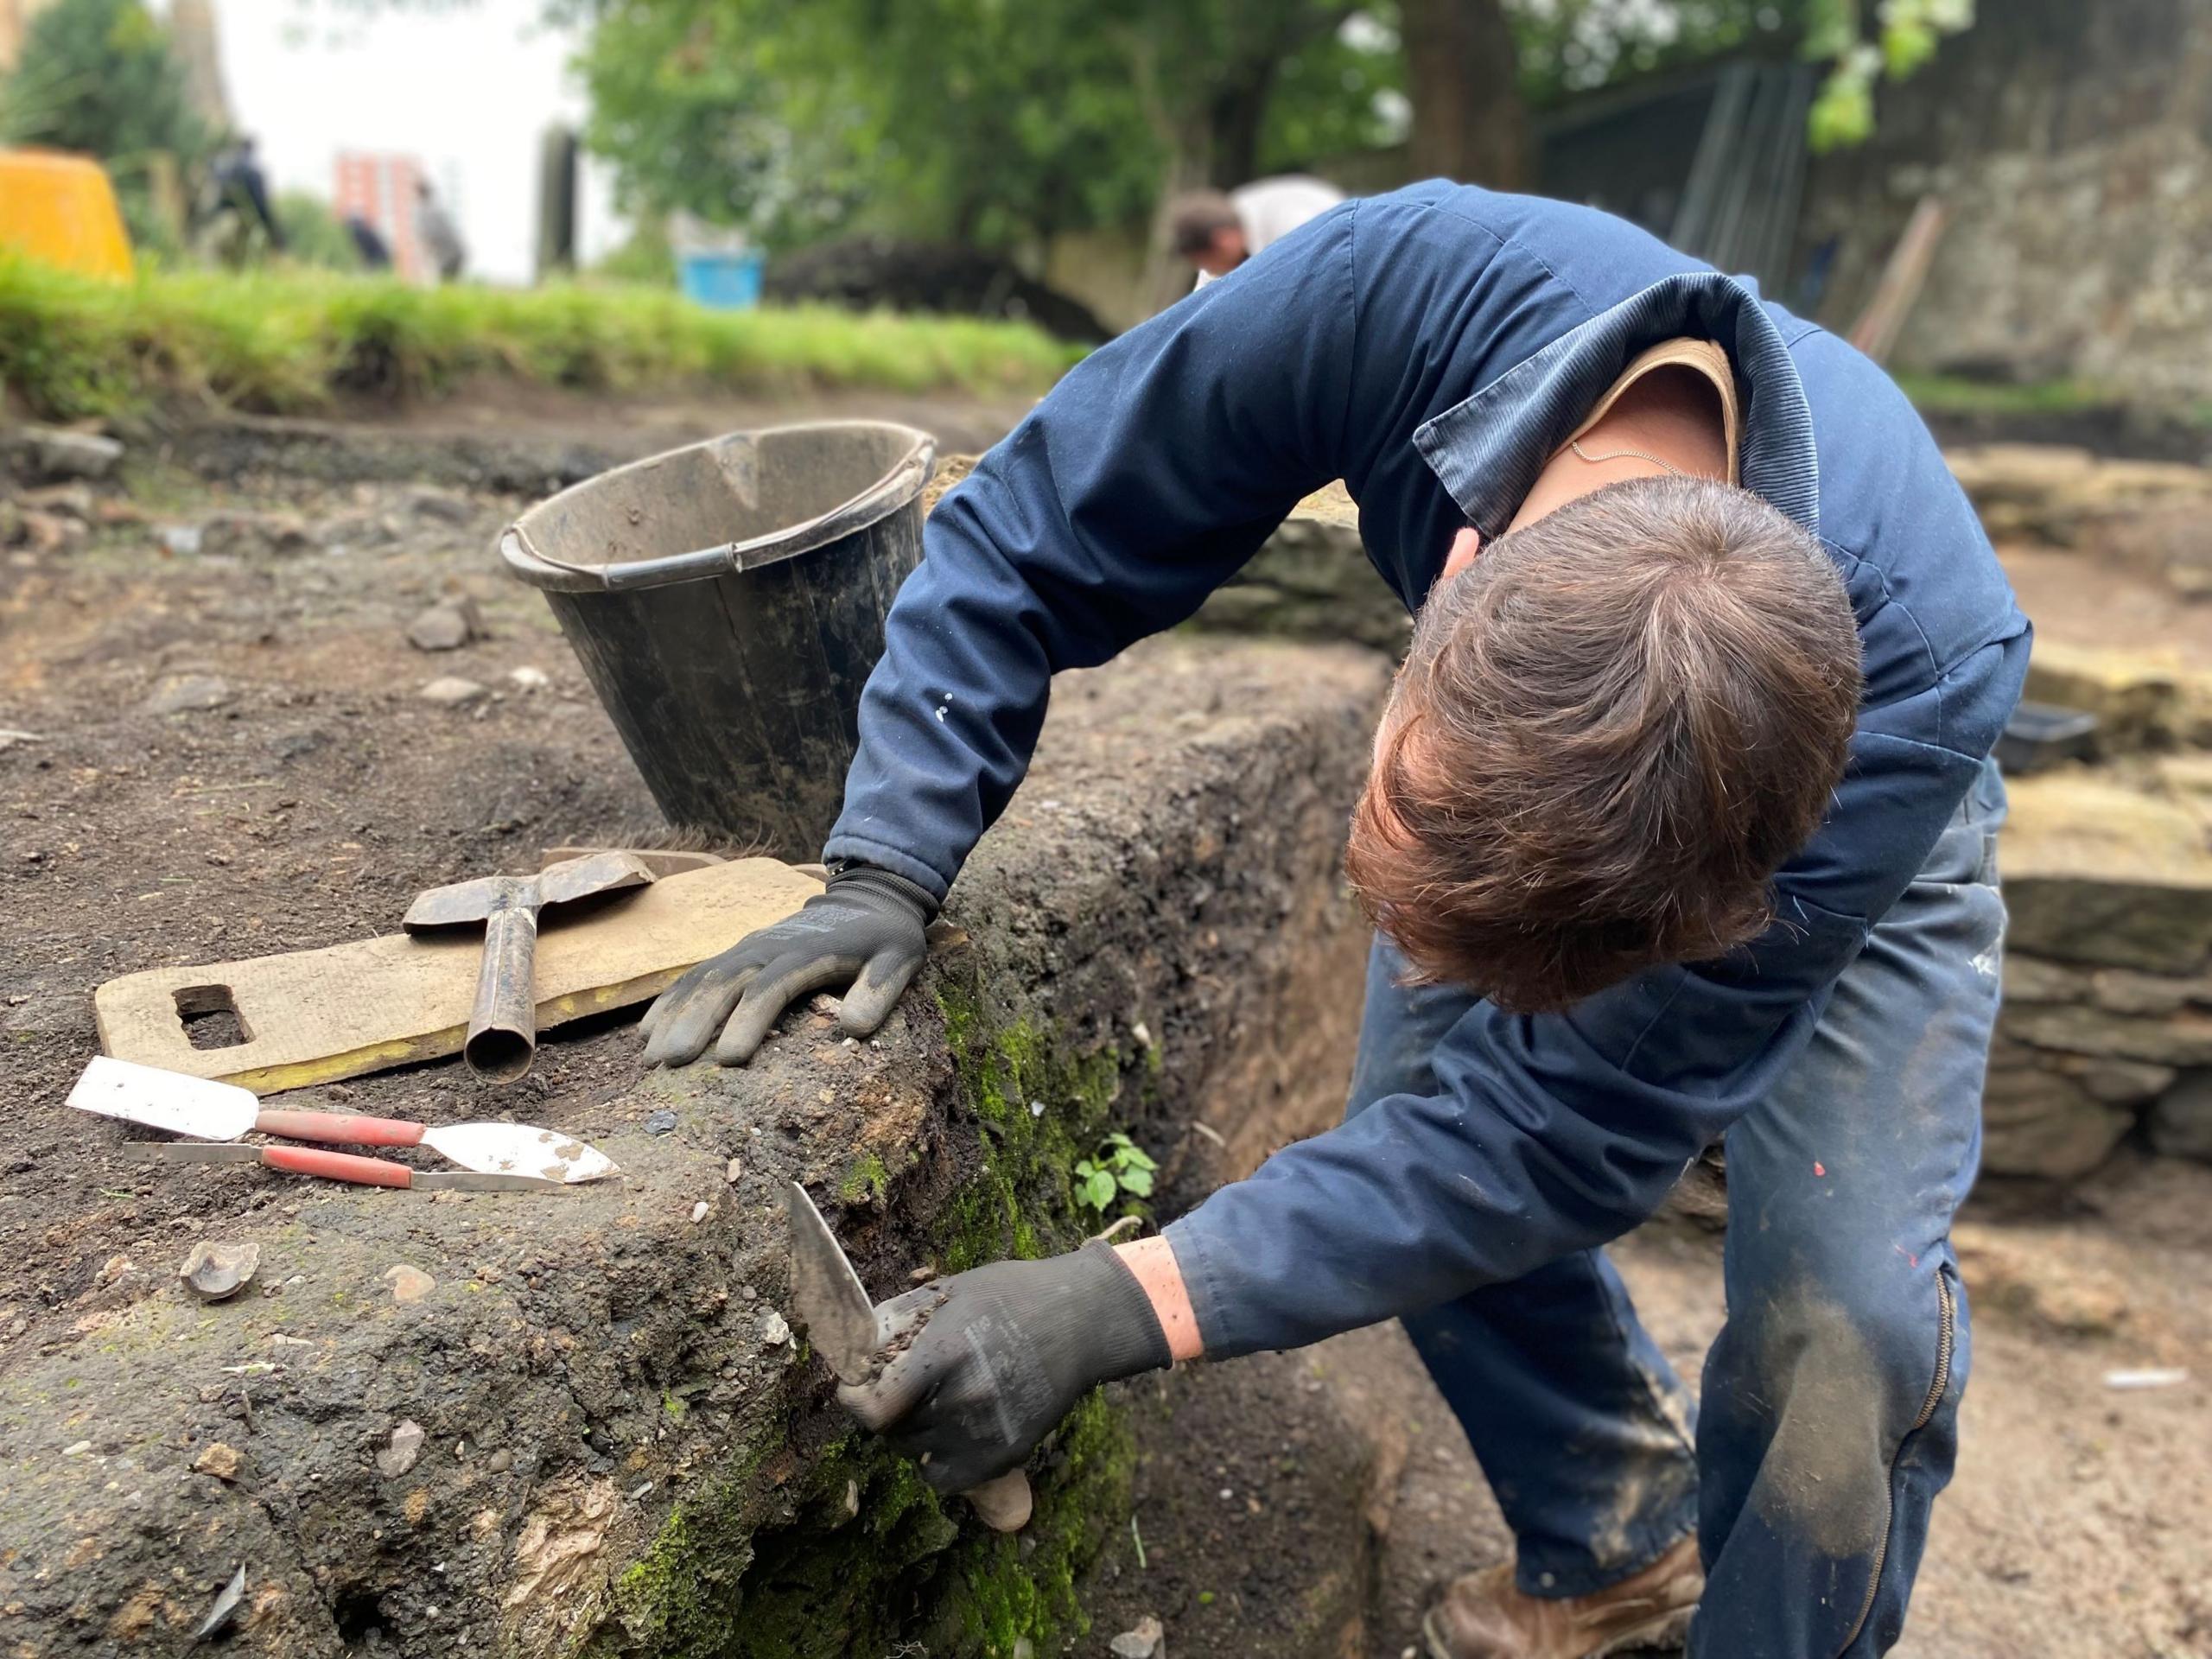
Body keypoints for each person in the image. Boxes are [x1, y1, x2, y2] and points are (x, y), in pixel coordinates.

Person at [641, 181, 2027, 1659]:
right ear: (1460, 569)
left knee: (1847, 1328)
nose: (1420, 962)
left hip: (1877, 814)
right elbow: (1026, 533)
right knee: (1415, 1119)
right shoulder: (1388, 292)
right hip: (1584, 744)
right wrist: (887, 864)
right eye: (1402, 830)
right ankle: (1619, 1540)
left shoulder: (1928, 662)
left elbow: (1560, 1138)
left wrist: (1117, 1305)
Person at [1168, 175, 1344, 283]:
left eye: (1204, 261)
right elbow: (1204, 299)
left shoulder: (1295, 224)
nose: (1207, 269)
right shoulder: (1226, 221)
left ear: (1223, 241)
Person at [415, 178, 466, 283]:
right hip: (455, 252)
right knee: (450, 283)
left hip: (448, 255)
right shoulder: (437, 208)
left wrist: (426, 251)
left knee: (447, 283)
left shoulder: (426, 211)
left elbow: (429, 235)